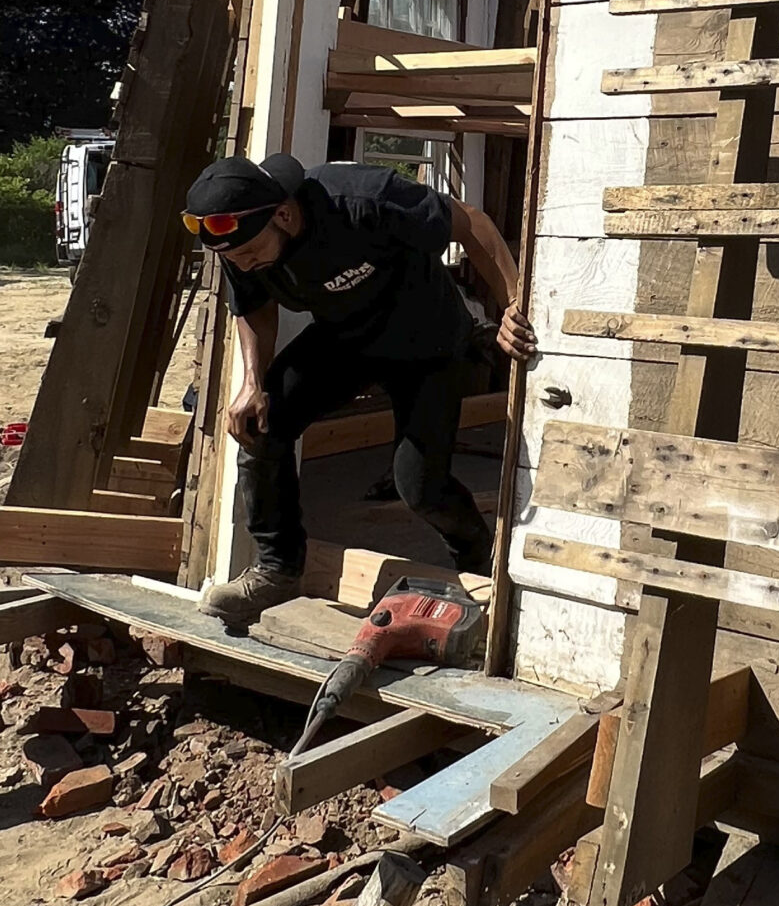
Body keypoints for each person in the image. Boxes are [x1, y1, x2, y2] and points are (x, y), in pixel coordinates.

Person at [182, 151, 536, 631]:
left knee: (419, 486)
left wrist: (513, 300)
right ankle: (277, 568)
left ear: (283, 214)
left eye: (248, 254)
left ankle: (477, 560)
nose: (242, 264)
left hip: (427, 341)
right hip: (346, 338)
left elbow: (470, 223)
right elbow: (253, 307)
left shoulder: (364, 198)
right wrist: (252, 381)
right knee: (261, 426)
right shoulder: (238, 243)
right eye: (233, 259)